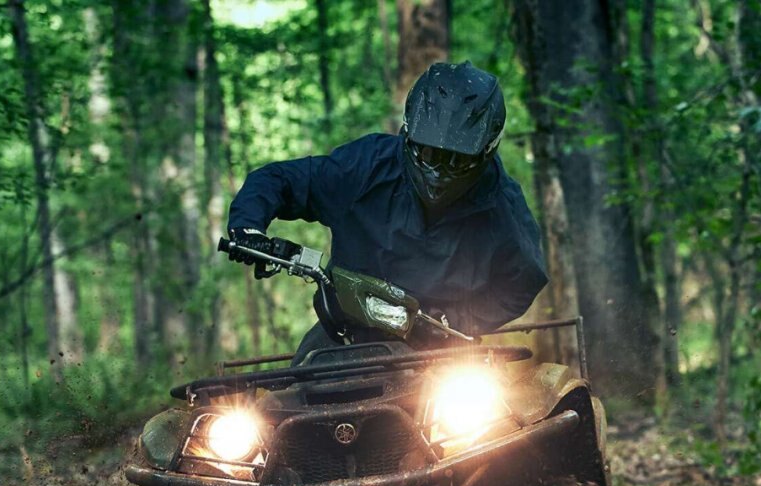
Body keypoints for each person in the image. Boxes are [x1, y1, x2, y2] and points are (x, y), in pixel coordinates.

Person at [225, 60, 548, 362]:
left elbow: (521, 283)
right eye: (428, 153)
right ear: (409, 136)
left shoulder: (502, 205)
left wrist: (455, 320)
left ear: (486, 151)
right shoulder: (367, 166)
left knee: (496, 405)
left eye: (458, 160)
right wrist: (248, 228)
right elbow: (280, 180)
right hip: (344, 335)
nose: (440, 171)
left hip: (441, 351)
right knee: (287, 396)